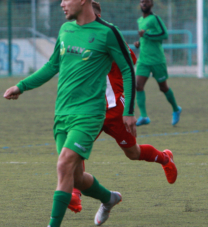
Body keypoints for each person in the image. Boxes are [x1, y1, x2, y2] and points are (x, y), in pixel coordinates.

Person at [3, 0, 136, 225]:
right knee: (74, 177)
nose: (62, 4)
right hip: (62, 114)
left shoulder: (108, 32)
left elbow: (128, 69)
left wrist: (129, 110)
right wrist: (21, 86)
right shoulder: (65, 29)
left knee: (63, 164)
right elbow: (52, 65)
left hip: (89, 115)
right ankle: (109, 198)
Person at [67, 1, 178, 215]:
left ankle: (165, 158)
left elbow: (130, 64)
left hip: (115, 110)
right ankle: (74, 193)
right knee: (75, 151)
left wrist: (129, 110)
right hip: (91, 111)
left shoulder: (110, 36)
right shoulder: (77, 38)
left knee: (133, 153)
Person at [134, 0, 181, 126]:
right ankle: (144, 116)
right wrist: (139, 43)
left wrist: (147, 35)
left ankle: (176, 109)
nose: (144, 4)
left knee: (163, 87)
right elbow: (143, 37)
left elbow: (164, 34)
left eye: (147, 2)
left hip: (157, 60)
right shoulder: (140, 21)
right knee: (138, 86)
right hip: (143, 59)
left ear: (151, 4)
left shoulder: (155, 19)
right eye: (142, 2)